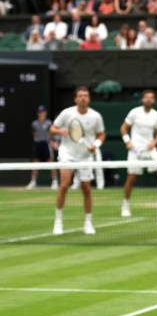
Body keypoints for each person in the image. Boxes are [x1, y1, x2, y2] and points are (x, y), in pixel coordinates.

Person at [50, 86, 105, 235]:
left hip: (85, 156)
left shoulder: (96, 116)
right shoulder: (67, 113)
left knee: (86, 189)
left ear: (89, 98)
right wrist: (61, 131)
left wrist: (96, 145)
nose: (83, 98)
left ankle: (88, 223)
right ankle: (58, 221)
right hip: (67, 153)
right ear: (75, 99)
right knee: (64, 183)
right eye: (80, 96)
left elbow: (101, 135)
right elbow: (53, 129)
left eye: (85, 96)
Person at [119, 90, 157, 217]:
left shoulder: (156, 115)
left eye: (151, 98)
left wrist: (154, 142)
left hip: (150, 150)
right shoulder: (134, 112)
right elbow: (123, 128)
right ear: (143, 99)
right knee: (131, 178)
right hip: (135, 150)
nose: (149, 100)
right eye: (147, 97)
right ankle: (125, 205)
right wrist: (127, 142)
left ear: (153, 100)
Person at [26, 106, 58, 190]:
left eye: (43, 111)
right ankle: (33, 181)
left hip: (46, 144)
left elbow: (51, 134)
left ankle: (54, 181)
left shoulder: (49, 123)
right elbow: (34, 134)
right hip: (37, 144)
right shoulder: (34, 123)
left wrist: (52, 142)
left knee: (50, 162)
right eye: (40, 112)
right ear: (38, 113)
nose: (41, 113)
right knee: (35, 163)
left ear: (45, 113)